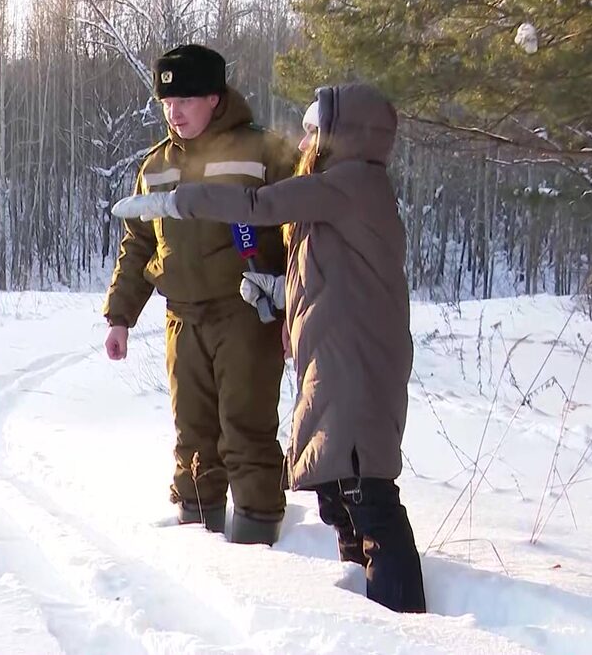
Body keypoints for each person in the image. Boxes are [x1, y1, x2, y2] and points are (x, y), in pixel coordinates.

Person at [110, 83, 427, 614]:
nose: (303, 141)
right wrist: (280, 291)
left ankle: (404, 623)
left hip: (356, 355)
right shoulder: (337, 188)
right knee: (338, 487)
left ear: (339, 135)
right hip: (335, 351)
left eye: (312, 131)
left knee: (366, 490)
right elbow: (324, 266)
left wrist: (178, 201)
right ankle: (364, 606)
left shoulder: (347, 182)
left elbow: (257, 203)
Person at [102, 44, 301, 545]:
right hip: (182, 320)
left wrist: (294, 306)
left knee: (245, 429)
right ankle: (198, 539)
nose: (175, 111)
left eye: (186, 99)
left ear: (214, 97)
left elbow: (302, 232)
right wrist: (120, 316)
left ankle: (258, 543)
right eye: (167, 102)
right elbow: (140, 242)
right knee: (192, 438)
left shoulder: (263, 152)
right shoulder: (156, 166)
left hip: (246, 315)